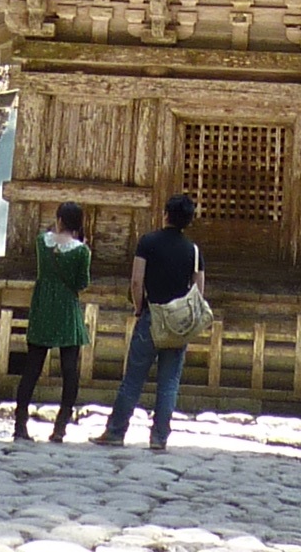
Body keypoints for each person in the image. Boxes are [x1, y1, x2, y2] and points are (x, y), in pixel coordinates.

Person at [91, 193, 204, 451]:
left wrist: (139, 307)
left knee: (133, 378)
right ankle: (159, 437)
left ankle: (116, 432)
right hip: (177, 323)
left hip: (152, 315)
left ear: (165, 214)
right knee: (169, 382)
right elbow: (198, 291)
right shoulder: (194, 251)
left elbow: (136, 280)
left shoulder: (148, 242)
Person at [12, 201, 91, 442]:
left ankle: (20, 424)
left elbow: (45, 251)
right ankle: (60, 426)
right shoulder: (81, 251)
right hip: (67, 308)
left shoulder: (41, 242)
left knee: (32, 368)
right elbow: (81, 284)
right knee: (69, 370)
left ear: (59, 219)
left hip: (43, 305)